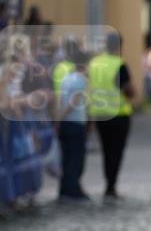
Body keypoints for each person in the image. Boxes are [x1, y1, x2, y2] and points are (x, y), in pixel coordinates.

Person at [88, 32, 135, 201]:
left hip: (100, 114)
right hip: (118, 115)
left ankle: (108, 184)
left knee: (106, 151)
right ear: (118, 46)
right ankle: (110, 186)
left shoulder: (94, 64)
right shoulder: (119, 64)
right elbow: (129, 90)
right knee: (116, 151)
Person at [57, 49, 90, 202]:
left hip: (67, 123)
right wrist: (61, 117)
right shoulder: (81, 80)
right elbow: (74, 101)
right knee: (76, 159)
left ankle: (64, 188)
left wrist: (59, 119)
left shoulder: (66, 78)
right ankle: (72, 189)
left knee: (66, 158)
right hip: (75, 122)